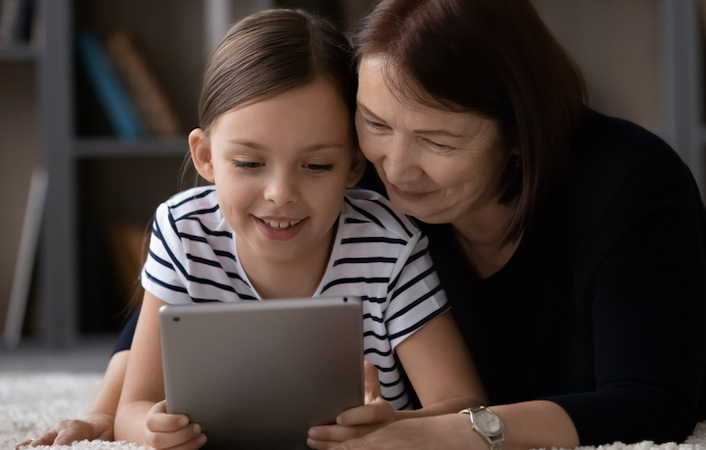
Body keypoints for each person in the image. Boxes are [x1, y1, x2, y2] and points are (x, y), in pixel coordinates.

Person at [22, 0, 706, 448]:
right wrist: (113, 409)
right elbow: (188, 317)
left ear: (519, 133)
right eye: (375, 125)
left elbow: (650, 405)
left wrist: (429, 436)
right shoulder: (365, 188)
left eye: (437, 140)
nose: (395, 167)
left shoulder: (629, 183)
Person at [19, 8, 488, 450]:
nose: (280, 193)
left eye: (317, 164)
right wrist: (153, 430)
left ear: (353, 165)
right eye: (248, 162)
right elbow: (133, 410)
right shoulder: (184, 231)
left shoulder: (390, 242)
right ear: (205, 157)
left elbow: (464, 404)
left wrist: (394, 429)